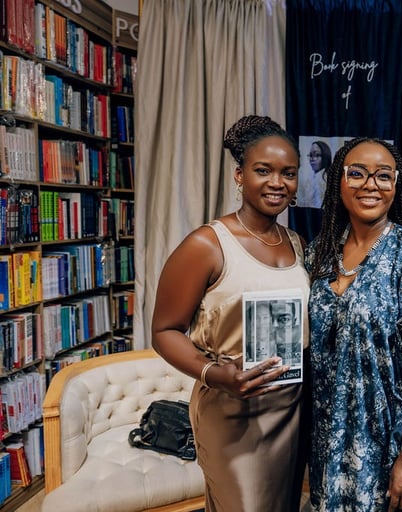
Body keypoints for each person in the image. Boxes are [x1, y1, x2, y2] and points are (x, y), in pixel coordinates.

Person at [151, 115, 309, 512]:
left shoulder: (296, 243)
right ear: (240, 175)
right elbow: (165, 330)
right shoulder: (207, 244)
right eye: (263, 170)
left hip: (291, 409)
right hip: (231, 408)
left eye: (288, 173)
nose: (277, 182)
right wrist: (215, 374)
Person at [305, 137, 402, 511]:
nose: (370, 185)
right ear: (338, 181)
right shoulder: (320, 251)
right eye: (357, 174)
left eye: (383, 176)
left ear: (396, 184)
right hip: (326, 436)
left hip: (386, 439)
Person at [297, 139, 332, 208]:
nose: (312, 159)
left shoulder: (324, 179)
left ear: (325, 157)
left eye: (317, 155)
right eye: (310, 155)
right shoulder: (315, 177)